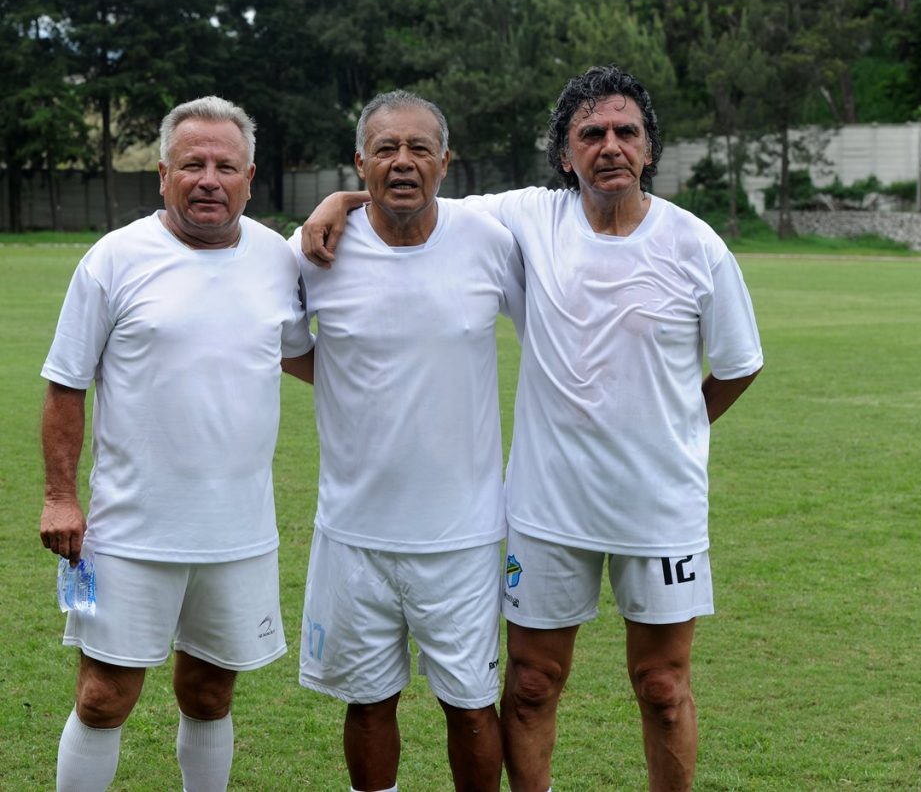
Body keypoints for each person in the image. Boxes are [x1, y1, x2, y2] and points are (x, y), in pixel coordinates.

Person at [301, 66, 763, 792]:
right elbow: (415, 185)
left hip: (661, 507)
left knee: (664, 689)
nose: (608, 146)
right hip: (546, 509)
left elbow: (739, 364)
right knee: (531, 685)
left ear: (648, 148)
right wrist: (341, 198)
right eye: (590, 134)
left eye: (625, 132)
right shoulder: (525, 220)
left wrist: (679, 429)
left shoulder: (696, 244)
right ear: (564, 152)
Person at [39, 95, 313, 792]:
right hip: (129, 530)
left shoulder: (277, 261)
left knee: (210, 693)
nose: (209, 179)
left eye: (226, 166)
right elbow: (66, 384)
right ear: (164, 173)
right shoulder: (115, 258)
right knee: (104, 696)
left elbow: (302, 358)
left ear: (251, 177)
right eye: (193, 164)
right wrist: (59, 497)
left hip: (236, 533)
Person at [282, 90, 524, 792]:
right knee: (368, 702)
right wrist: (355, 383)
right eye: (386, 149)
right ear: (360, 163)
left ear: (447, 163)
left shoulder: (490, 240)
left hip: (464, 535)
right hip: (354, 532)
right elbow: (294, 351)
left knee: (473, 711)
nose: (403, 162)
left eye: (420, 148)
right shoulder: (318, 252)